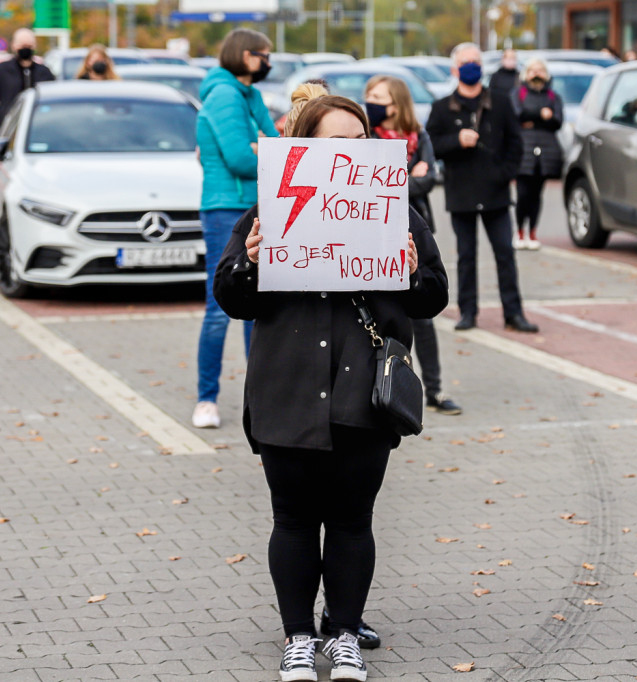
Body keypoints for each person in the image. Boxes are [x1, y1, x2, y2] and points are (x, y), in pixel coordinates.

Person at [214, 90, 448, 682]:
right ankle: (298, 637)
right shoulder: (272, 206)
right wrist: (253, 259)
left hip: (362, 392)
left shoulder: (393, 208)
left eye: (359, 141)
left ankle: (343, 632)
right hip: (287, 388)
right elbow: (230, 296)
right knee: (291, 519)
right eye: (335, 144)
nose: (351, 154)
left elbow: (434, 295)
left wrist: (409, 265)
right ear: (304, 148)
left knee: (350, 520)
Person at [192, 28, 278, 429]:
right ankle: (206, 398)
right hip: (225, 208)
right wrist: (260, 147)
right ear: (245, 55)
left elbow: (278, 146)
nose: (268, 62)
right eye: (264, 55)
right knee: (220, 308)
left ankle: (258, 395)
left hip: (257, 203)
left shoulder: (252, 96)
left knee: (256, 305)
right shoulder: (224, 94)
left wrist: (262, 145)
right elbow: (241, 161)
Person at [364, 75, 462, 416]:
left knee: (423, 316)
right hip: (375, 233)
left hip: (412, 232)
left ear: (397, 103)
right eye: (369, 96)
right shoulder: (366, 138)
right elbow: (373, 187)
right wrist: (410, 174)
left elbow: (430, 178)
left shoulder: (418, 135)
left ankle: (433, 389)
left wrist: (400, 177)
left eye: (379, 97)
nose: (371, 102)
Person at [426, 42, 539, 333]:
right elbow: (432, 146)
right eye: (465, 62)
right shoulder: (442, 108)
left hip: (496, 193)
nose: (471, 67)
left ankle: (513, 313)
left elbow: (516, 144)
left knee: (505, 253)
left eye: (475, 61)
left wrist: (504, 174)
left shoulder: (500, 102)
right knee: (466, 257)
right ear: (454, 69)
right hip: (461, 192)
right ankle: (468, 312)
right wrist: (456, 140)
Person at [512, 59, 563, 251]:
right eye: (533, 70)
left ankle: (533, 230)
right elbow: (517, 115)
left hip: (545, 151)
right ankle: (519, 231)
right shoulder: (519, 93)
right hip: (523, 150)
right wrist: (541, 115)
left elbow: (557, 120)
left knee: (536, 195)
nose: (536, 73)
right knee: (523, 193)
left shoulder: (553, 96)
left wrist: (532, 119)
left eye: (540, 70)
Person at [0, 28, 54, 127]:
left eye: (29, 46)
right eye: (23, 46)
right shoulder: (2, 70)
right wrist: (0, 119)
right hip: (10, 127)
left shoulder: (44, 72)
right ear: (14, 46)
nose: (26, 49)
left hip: (38, 127)